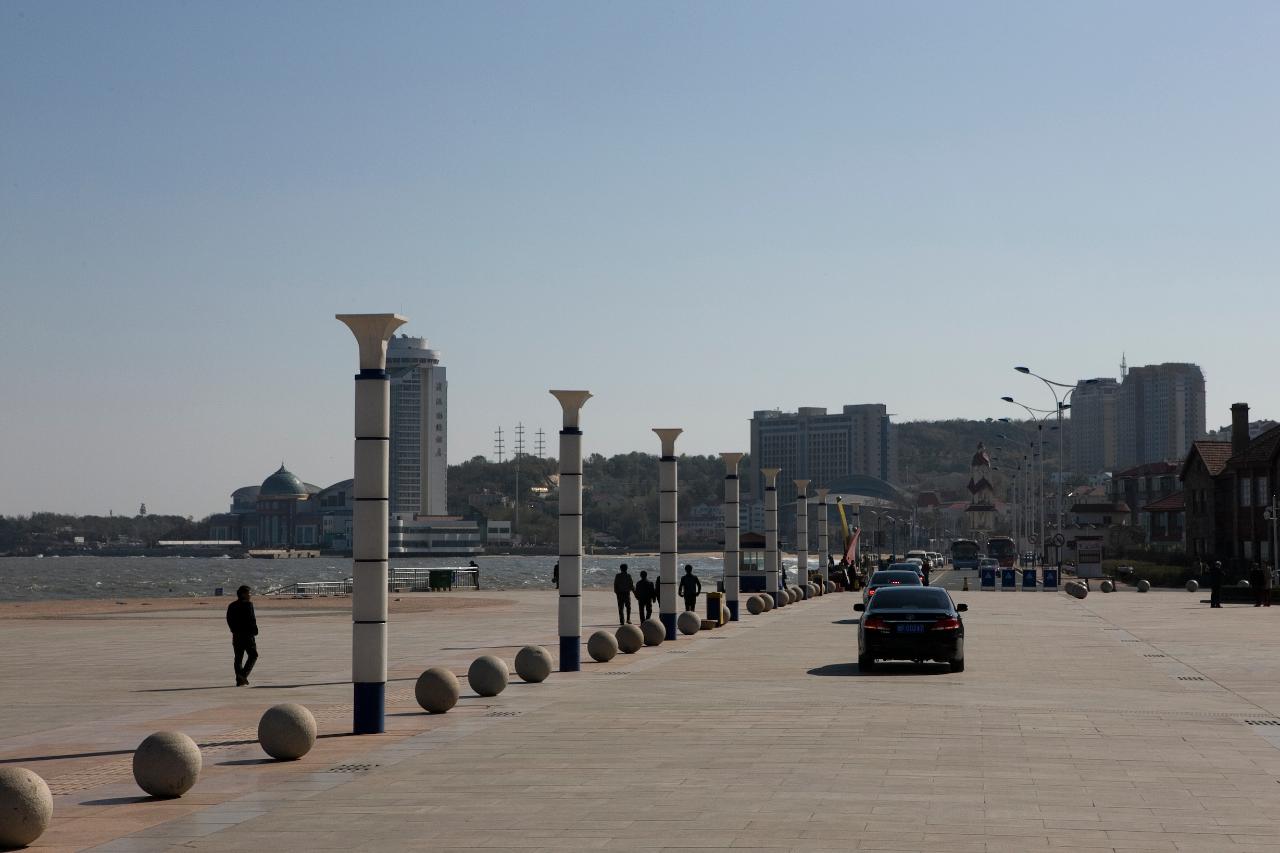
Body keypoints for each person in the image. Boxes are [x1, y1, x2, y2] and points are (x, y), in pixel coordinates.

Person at [225, 585, 258, 686]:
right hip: (247, 635)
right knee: (253, 655)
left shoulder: (232, 605)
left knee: (238, 658)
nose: (250, 595)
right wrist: (255, 630)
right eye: (249, 593)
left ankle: (240, 680)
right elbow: (252, 619)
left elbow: (229, 620)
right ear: (243, 594)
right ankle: (242, 676)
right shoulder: (248, 605)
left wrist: (233, 630)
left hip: (237, 635)